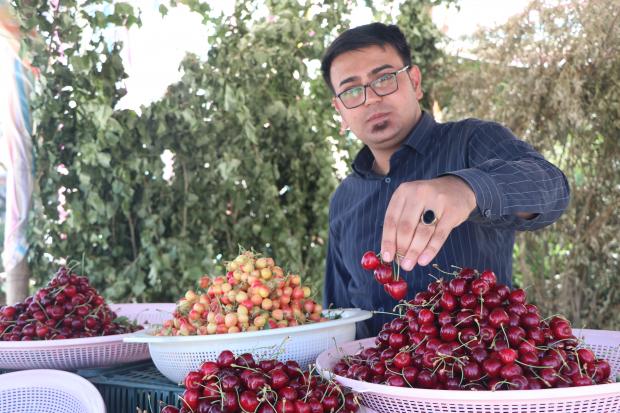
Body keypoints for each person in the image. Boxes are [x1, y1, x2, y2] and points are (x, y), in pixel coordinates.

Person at [320, 22, 570, 338]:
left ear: (414, 81)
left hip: (479, 374)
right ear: (340, 110)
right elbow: (339, 312)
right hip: (374, 380)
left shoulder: (470, 142)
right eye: (352, 90)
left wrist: (468, 189)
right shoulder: (344, 199)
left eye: (384, 79)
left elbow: (551, 186)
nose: (370, 99)